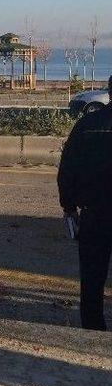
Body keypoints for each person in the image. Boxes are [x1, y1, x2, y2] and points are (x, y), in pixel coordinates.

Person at [57, 74, 112, 331]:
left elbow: (68, 168)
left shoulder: (87, 125)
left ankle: (93, 329)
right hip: (96, 213)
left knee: (91, 278)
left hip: (94, 215)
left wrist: (69, 207)